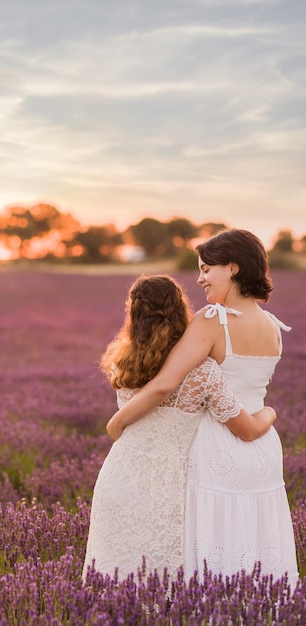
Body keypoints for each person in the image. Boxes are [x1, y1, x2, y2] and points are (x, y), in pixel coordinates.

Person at [106, 229, 299, 585]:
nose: (200, 279)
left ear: (233, 268)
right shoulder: (273, 327)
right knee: (258, 537)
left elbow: (164, 384)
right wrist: (271, 415)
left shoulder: (213, 321)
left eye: (207, 269)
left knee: (216, 540)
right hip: (264, 448)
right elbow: (256, 396)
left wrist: (117, 423)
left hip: (217, 446)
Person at [82, 273, 276, 581]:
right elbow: (248, 428)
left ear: (133, 313)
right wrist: (269, 413)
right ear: (180, 310)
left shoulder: (123, 360)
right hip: (172, 487)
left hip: (120, 475)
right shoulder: (203, 370)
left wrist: (116, 423)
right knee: (166, 584)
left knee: (114, 576)